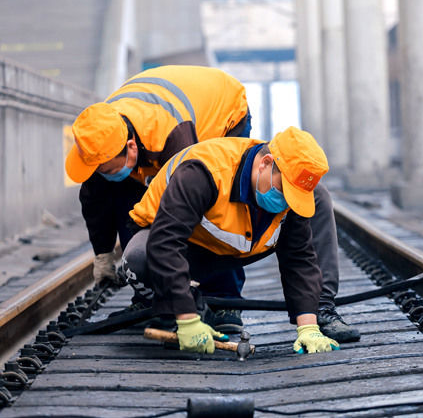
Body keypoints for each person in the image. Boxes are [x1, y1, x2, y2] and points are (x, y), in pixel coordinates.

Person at [65, 65, 359, 342]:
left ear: (131, 147)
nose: (103, 174)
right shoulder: (102, 137)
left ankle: (227, 305)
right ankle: (154, 300)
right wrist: (104, 254)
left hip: (223, 112)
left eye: (106, 168)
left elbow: (180, 218)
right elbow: (99, 199)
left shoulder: (179, 144)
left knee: (226, 206)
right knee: (140, 209)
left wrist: (185, 296)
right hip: (170, 116)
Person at [121, 128, 339, 355]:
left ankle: (194, 299)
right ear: (265, 163)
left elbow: (298, 257)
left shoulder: (289, 187)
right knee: (138, 259)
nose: (285, 200)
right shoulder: (203, 172)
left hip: (230, 249)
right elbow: (166, 243)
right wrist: (186, 318)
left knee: (312, 207)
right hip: (181, 245)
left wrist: (308, 327)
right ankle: (183, 303)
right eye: (283, 190)